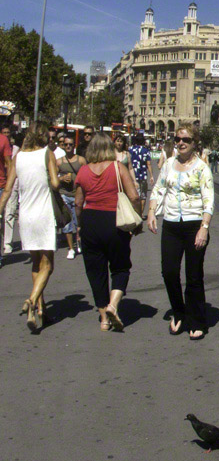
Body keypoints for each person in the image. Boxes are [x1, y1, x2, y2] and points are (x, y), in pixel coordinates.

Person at [147, 125, 215, 340]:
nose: (180, 142)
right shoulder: (168, 164)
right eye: (177, 139)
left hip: (195, 225)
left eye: (185, 139)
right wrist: (151, 212)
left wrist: (204, 228)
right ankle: (179, 312)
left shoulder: (202, 168)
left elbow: (209, 200)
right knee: (168, 272)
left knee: (193, 276)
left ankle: (197, 320)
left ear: (194, 143)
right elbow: (158, 189)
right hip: (171, 225)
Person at [74, 133, 142, 332]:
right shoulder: (117, 167)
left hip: (91, 222)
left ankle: (104, 318)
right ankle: (113, 304)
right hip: (115, 222)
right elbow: (134, 197)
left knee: (96, 271)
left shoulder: (84, 171)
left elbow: (78, 203)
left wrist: (80, 224)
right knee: (120, 267)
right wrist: (137, 219)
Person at [0, 124, 60, 332]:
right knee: (48, 265)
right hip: (44, 213)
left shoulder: (19, 157)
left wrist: (0, 209)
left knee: (36, 263)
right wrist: (60, 178)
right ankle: (32, 300)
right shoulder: (47, 154)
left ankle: (41, 310)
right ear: (44, 136)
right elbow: (54, 183)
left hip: (25, 215)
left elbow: (8, 189)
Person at [57, 134, 86, 258]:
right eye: (66, 145)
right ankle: (70, 248)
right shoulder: (59, 162)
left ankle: (79, 242)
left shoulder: (81, 160)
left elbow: (87, 176)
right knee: (67, 223)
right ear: (63, 146)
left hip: (77, 195)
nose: (68, 147)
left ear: (74, 146)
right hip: (64, 194)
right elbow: (53, 179)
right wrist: (61, 178)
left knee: (78, 221)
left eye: (70, 144)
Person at [0, 123, 16, 257]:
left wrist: (9, 186)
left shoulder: (3, 140)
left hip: (0, 185)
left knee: (4, 218)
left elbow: (9, 164)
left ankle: (5, 246)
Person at [129, 132, 151, 200]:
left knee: (135, 195)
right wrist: (151, 175)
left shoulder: (130, 150)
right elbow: (148, 164)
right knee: (143, 195)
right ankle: (141, 210)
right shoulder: (146, 151)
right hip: (143, 175)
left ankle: (136, 210)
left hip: (133, 175)